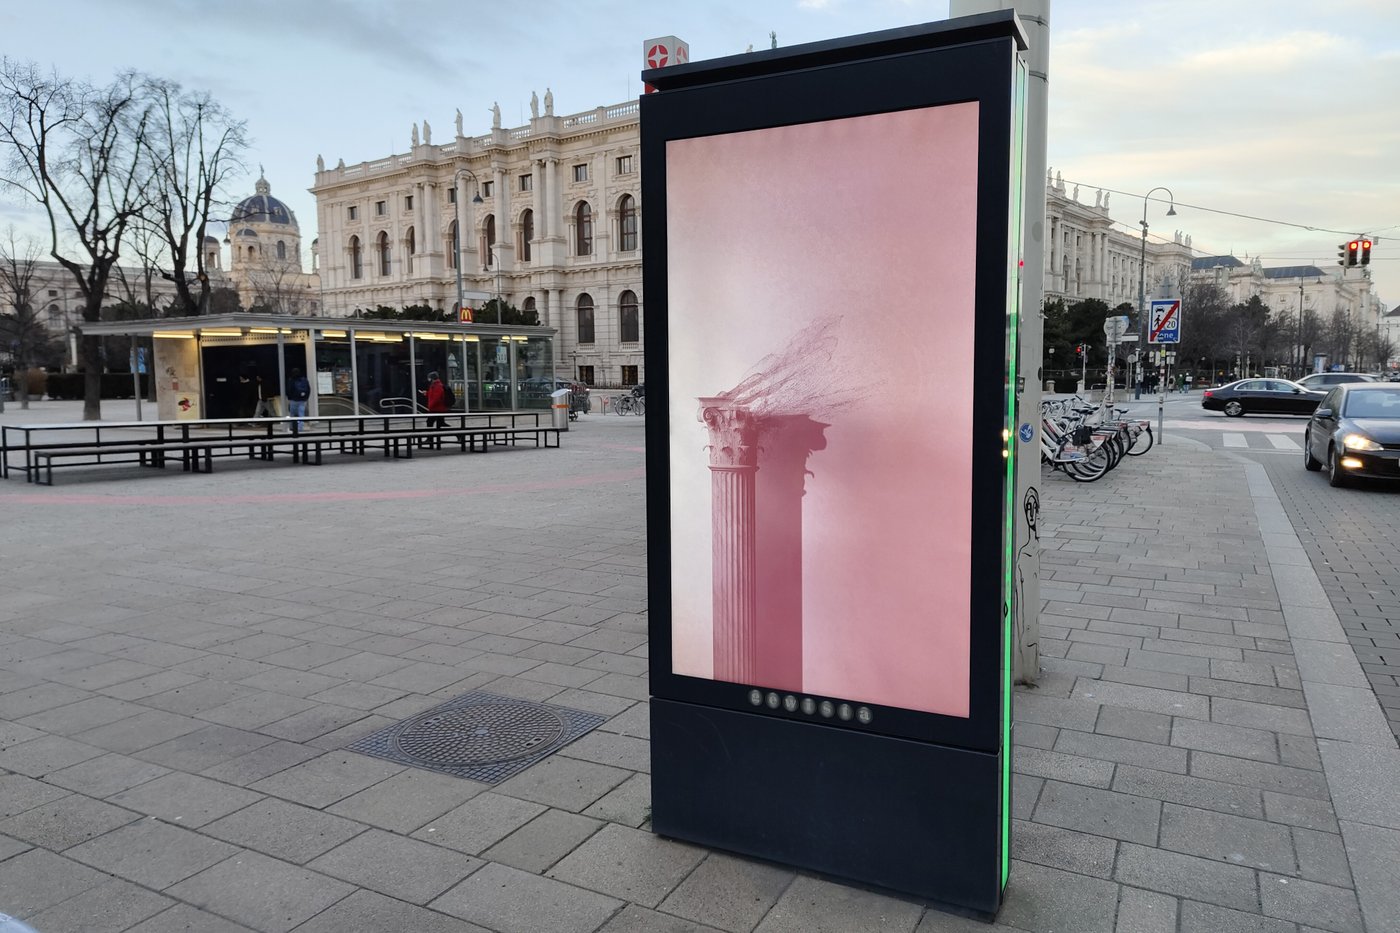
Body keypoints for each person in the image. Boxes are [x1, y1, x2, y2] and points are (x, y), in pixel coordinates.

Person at [286, 367, 310, 432]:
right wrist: (306, 398)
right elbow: (308, 389)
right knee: (301, 414)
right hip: (302, 400)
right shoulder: (304, 380)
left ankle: (292, 427)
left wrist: (289, 398)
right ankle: (300, 428)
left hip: (293, 399)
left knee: (292, 414)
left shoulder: (291, 380)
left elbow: (289, 390)